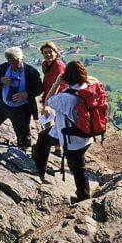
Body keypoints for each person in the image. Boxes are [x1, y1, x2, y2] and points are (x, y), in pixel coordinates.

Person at [35, 60, 94, 204]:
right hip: (86, 135)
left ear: (66, 77)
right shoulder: (90, 87)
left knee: (78, 169)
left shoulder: (65, 97)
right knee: (44, 137)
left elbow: (48, 101)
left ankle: (83, 197)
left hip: (71, 139)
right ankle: (39, 168)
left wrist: (56, 82)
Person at [0, 46, 43, 149]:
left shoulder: (31, 72)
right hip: (2, 105)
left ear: (21, 58)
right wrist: (1, 79)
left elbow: (39, 88)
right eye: (11, 63)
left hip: (21, 109)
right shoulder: (4, 67)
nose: (14, 65)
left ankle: (23, 156)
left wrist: (26, 94)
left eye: (16, 62)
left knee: (23, 137)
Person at [39, 41, 66, 108]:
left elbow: (59, 85)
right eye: (45, 53)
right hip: (48, 93)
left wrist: (50, 102)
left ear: (55, 53)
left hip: (57, 97)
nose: (48, 55)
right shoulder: (45, 64)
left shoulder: (58, 65)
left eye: (50, 52)